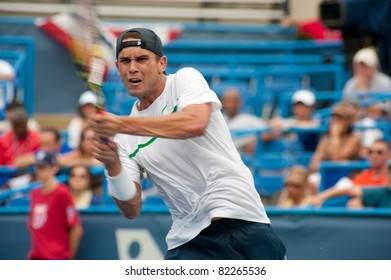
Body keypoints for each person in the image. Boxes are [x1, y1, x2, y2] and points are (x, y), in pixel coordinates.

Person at [91, 27, 286, 260]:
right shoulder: (123, 138)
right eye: (125, 61)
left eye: (142, 59)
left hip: (241, 221)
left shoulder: (185, 80)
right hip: (189, 240)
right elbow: (131, 208)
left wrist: (122, 124)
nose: (132, 67)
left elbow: (195, 123)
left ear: (162, 63)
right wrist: (113, 165)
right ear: (118, 67)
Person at [27, 151, 83, 259]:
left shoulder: (62, 193)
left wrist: (68, 257)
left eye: (42, 167)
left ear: (54, 168)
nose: (38, 171)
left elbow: (76, 229)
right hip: (36, 257)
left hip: (56, 257)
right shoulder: (34, 193)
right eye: (37, 167)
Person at [310, 139, 390, 208]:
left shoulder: (389, 179)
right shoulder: (361, 177)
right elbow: (351, 193)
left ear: (389, 155)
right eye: (370, 152)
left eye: (379, 152)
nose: (374, 155)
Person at [307, 102, 361, 193]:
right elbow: (313, 165)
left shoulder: (354, 139)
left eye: (340, 119)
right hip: (327, 174)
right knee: (312, 180)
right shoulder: (325, 140)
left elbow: (337, 158)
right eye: (334, 118)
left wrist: (335, 136)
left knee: (344, 185)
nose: (336, 122)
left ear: (348, 122)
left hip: (347, 177)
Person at [221, 87, 267, 156]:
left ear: (239, 103)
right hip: (221, 154)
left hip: (240, 155)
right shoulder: (219, 119)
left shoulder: (249, 119)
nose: (229, 105)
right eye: (226, 101)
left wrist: (255, 139)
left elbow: (270, 131)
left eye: (232, 101)